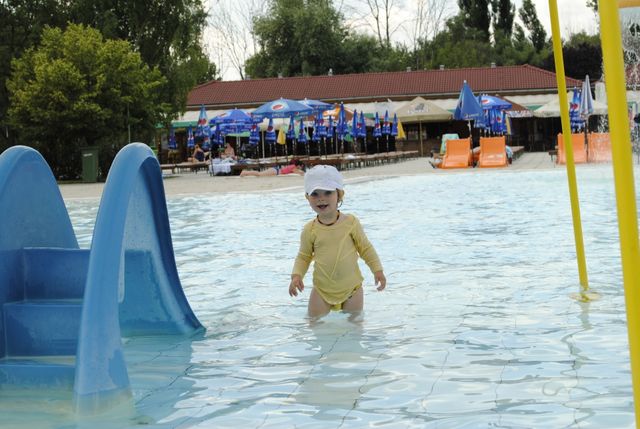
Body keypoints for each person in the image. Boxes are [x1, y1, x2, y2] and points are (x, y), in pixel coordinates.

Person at [288, 165, 386, 318]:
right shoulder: (310, 229)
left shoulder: (351, 223)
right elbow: (304, 256)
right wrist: (296, 276)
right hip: (321, 291)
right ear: (307, 197)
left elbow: (365, 248)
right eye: (315, 194)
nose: (321, 198)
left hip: (352, 289)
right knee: (314, 323)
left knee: (355, 326)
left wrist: (377, 270)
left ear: (339, 195)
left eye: (328, 192)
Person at [240, 158, 305, 177]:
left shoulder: (293, 166)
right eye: (301, 167)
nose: (301, 168)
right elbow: (301, 173)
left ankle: (246, 172)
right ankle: (245, 172)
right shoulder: (294, 168)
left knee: (259, 174)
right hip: (275, 171)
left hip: (275, 170)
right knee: (259, 174)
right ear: (299, 166)